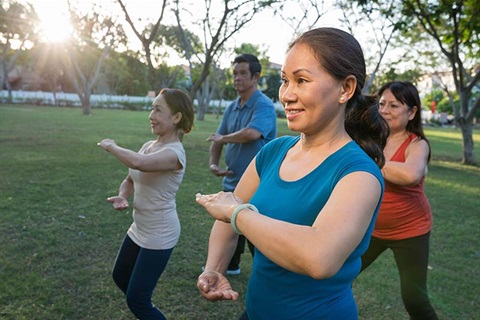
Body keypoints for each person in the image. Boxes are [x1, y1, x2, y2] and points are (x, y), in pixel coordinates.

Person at [195, 27, 389, 319]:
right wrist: (214, 268)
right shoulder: (274, 152)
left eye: (301, 80)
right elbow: (225, 219)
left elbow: (319, 257)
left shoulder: (359, 173)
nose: (286, 94)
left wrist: (238, 214)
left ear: (345, 89)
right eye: (285, 81)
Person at [97, 88, 194, 320]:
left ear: (176, 118)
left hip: (159, 233)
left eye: (158, 110)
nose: (151, 115)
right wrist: (123, 195)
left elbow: (138, 163)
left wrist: (112, 146)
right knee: (121, 277)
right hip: (139, 228)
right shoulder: (149, 145)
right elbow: (131, 178)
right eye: (152, 108)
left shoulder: (174, 154)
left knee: (137, 300)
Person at [359, 81, 438, 319]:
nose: (384, 110)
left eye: (394, 105)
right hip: (372, 229)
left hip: (410, 231)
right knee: (338, 274)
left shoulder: (417, 144)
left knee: (414, 299)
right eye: (382, 104)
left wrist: (371, 162)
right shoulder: (371, 138)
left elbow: (411, 174)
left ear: (412, 112)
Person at [206, 53, 277, 275]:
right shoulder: (232, 107)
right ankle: (231, 265)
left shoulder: (263, 105)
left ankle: (267, 271)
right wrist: (213, 164)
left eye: (242, 73)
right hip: (233, 179)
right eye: (235, 74)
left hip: (259, 182)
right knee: (228, 223)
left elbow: (252, 133)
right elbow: (218, 137)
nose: (237, 78)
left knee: (255, 230)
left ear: (255, 77)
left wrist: (223, 139)